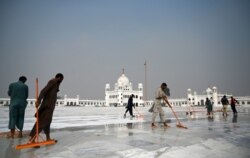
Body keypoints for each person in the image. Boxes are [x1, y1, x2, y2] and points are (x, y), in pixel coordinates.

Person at [29, 73, 64, 142]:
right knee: (42, 122)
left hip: (50, 107)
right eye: (62, 79)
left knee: (48, 122)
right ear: (59, 78)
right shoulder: (53, 82)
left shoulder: (56, 84)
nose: (62, 81)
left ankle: (48, 137)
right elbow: (43, 91)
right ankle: (32, 137)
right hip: (47, 106)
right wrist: (38, 100)